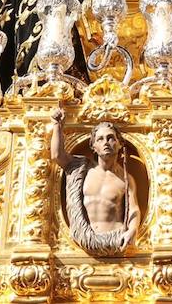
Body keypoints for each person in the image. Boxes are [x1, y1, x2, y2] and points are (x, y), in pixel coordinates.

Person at [50, 106, 141, 255]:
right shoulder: (81, 170)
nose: (106, 142)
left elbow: (134, 208)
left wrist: (132, 230)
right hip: (86, 239)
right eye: (100, 139)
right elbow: (57, 155)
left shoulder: (126, 178)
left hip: (117, 238)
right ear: (93, 146)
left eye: (111, 138)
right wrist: (57, 126)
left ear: (119, 144)